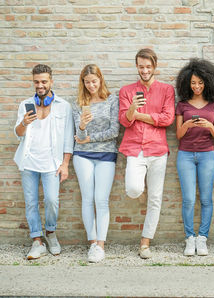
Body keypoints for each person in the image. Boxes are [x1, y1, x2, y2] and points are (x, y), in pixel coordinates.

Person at [119, 48, 175, 259]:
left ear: (154, 67)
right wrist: (133, 108)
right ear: (137, 67)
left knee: (155, 198)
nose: (145, 70)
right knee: (134, 189)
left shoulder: (167, 90)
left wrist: (137, 115)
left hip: (158, 149)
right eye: (141, 67)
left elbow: (167, 119)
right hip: (135, 148)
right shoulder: (126, 91)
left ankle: (145, 243)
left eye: (148, 67)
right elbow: (125, 121)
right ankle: (140, 186)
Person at [14, 64, 74, 260]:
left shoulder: (63, 106)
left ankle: (50, 232)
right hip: (28, 161)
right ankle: (37, 241)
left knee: (51, 200)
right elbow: (18, 134)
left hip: (52, 163)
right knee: (31, 203)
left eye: (44, 81)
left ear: (51, 82)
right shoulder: (25, 105)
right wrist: (24, 123)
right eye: (36, 82)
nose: (40, 85)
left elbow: (67, 138)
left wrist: (65, 164)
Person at [175, 58, 214, 256]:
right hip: (185, 154)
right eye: (193, 82)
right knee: (188, 199)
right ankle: (190, 238)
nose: (196, 86)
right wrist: (187, 125)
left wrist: (209, 126)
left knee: (205, 199)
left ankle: (202, 238)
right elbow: (178, 134)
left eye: (200, 82)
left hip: (207, 155)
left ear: (208, 82)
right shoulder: (182, 105)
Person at [72, 64, 120, 263]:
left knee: (101, 200)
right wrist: (82, 125)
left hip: (106, 156)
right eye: (87, 82)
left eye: (94, 81)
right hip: (82, 156)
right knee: (87, 198)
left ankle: (101, 244)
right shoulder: (78, 103)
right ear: (82, 83)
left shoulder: (112, 100)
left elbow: (114, 131)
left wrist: (89, 138)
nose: (91, 85)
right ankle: (92, 243)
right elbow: (78, 137)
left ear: (100, 80)